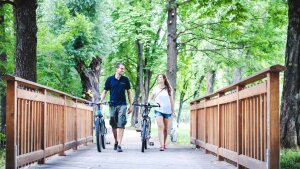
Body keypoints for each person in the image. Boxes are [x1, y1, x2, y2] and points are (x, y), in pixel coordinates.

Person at [100, 63, 132, 152]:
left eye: (123, 69)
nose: (123, 70)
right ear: (116, 69)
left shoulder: (125, 80)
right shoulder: (109, 79)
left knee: (121, 123)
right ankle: (116, 141)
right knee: (113, 124)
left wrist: (131, 105)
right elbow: (105, 91)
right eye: (121, 69)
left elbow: (129, 93)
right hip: (112, 104)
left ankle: (120, 145)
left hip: (122, 104)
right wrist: (100, 101)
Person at [149, 74, 175, 151]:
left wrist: (173, 111)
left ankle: (164, 143)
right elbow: (151, 98)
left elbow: (171, 101)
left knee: (166, 129)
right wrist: (150, 102)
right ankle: (162, 145)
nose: (159, 79)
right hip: (158, 110)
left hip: (167, 110)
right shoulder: (155, 88)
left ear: (164, 79)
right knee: (161, 126)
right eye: (158, 77)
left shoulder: (169, 89)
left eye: (160, 77)